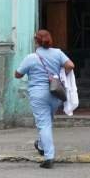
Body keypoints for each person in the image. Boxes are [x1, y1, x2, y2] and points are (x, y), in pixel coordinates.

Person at [14, 29, 75, 168]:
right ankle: (41, 145)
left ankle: (49, 157)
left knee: (43, 124)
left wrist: (22, 71)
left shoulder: (31, 57)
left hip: (38, 94)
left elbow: (18, 74)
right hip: (56, 93)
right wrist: (60, 75)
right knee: (47, 121)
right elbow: (70, 65)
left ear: (36, 41)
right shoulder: (58, 53)